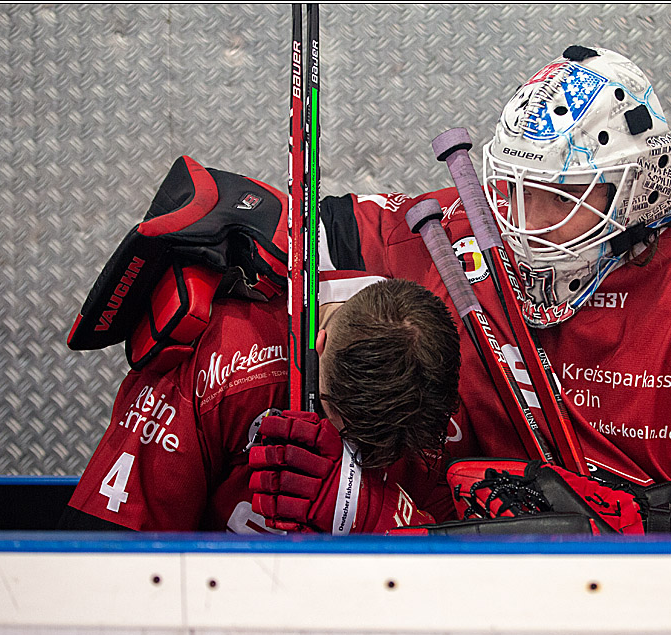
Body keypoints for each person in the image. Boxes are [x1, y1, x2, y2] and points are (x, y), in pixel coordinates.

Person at [252, 46, 671, 534]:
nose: (524, 226)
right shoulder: (465, 234)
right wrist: (242, 222)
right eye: (513, 190)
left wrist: (641, 529)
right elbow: (309, 233)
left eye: (562, 198)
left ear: (643, 187)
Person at [59, 158, 461, 533]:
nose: (360, 454)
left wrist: (384, 514)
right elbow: (110, 544)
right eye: (352, 434)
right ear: (319, 346)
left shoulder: (438, 366)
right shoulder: (223, 356)